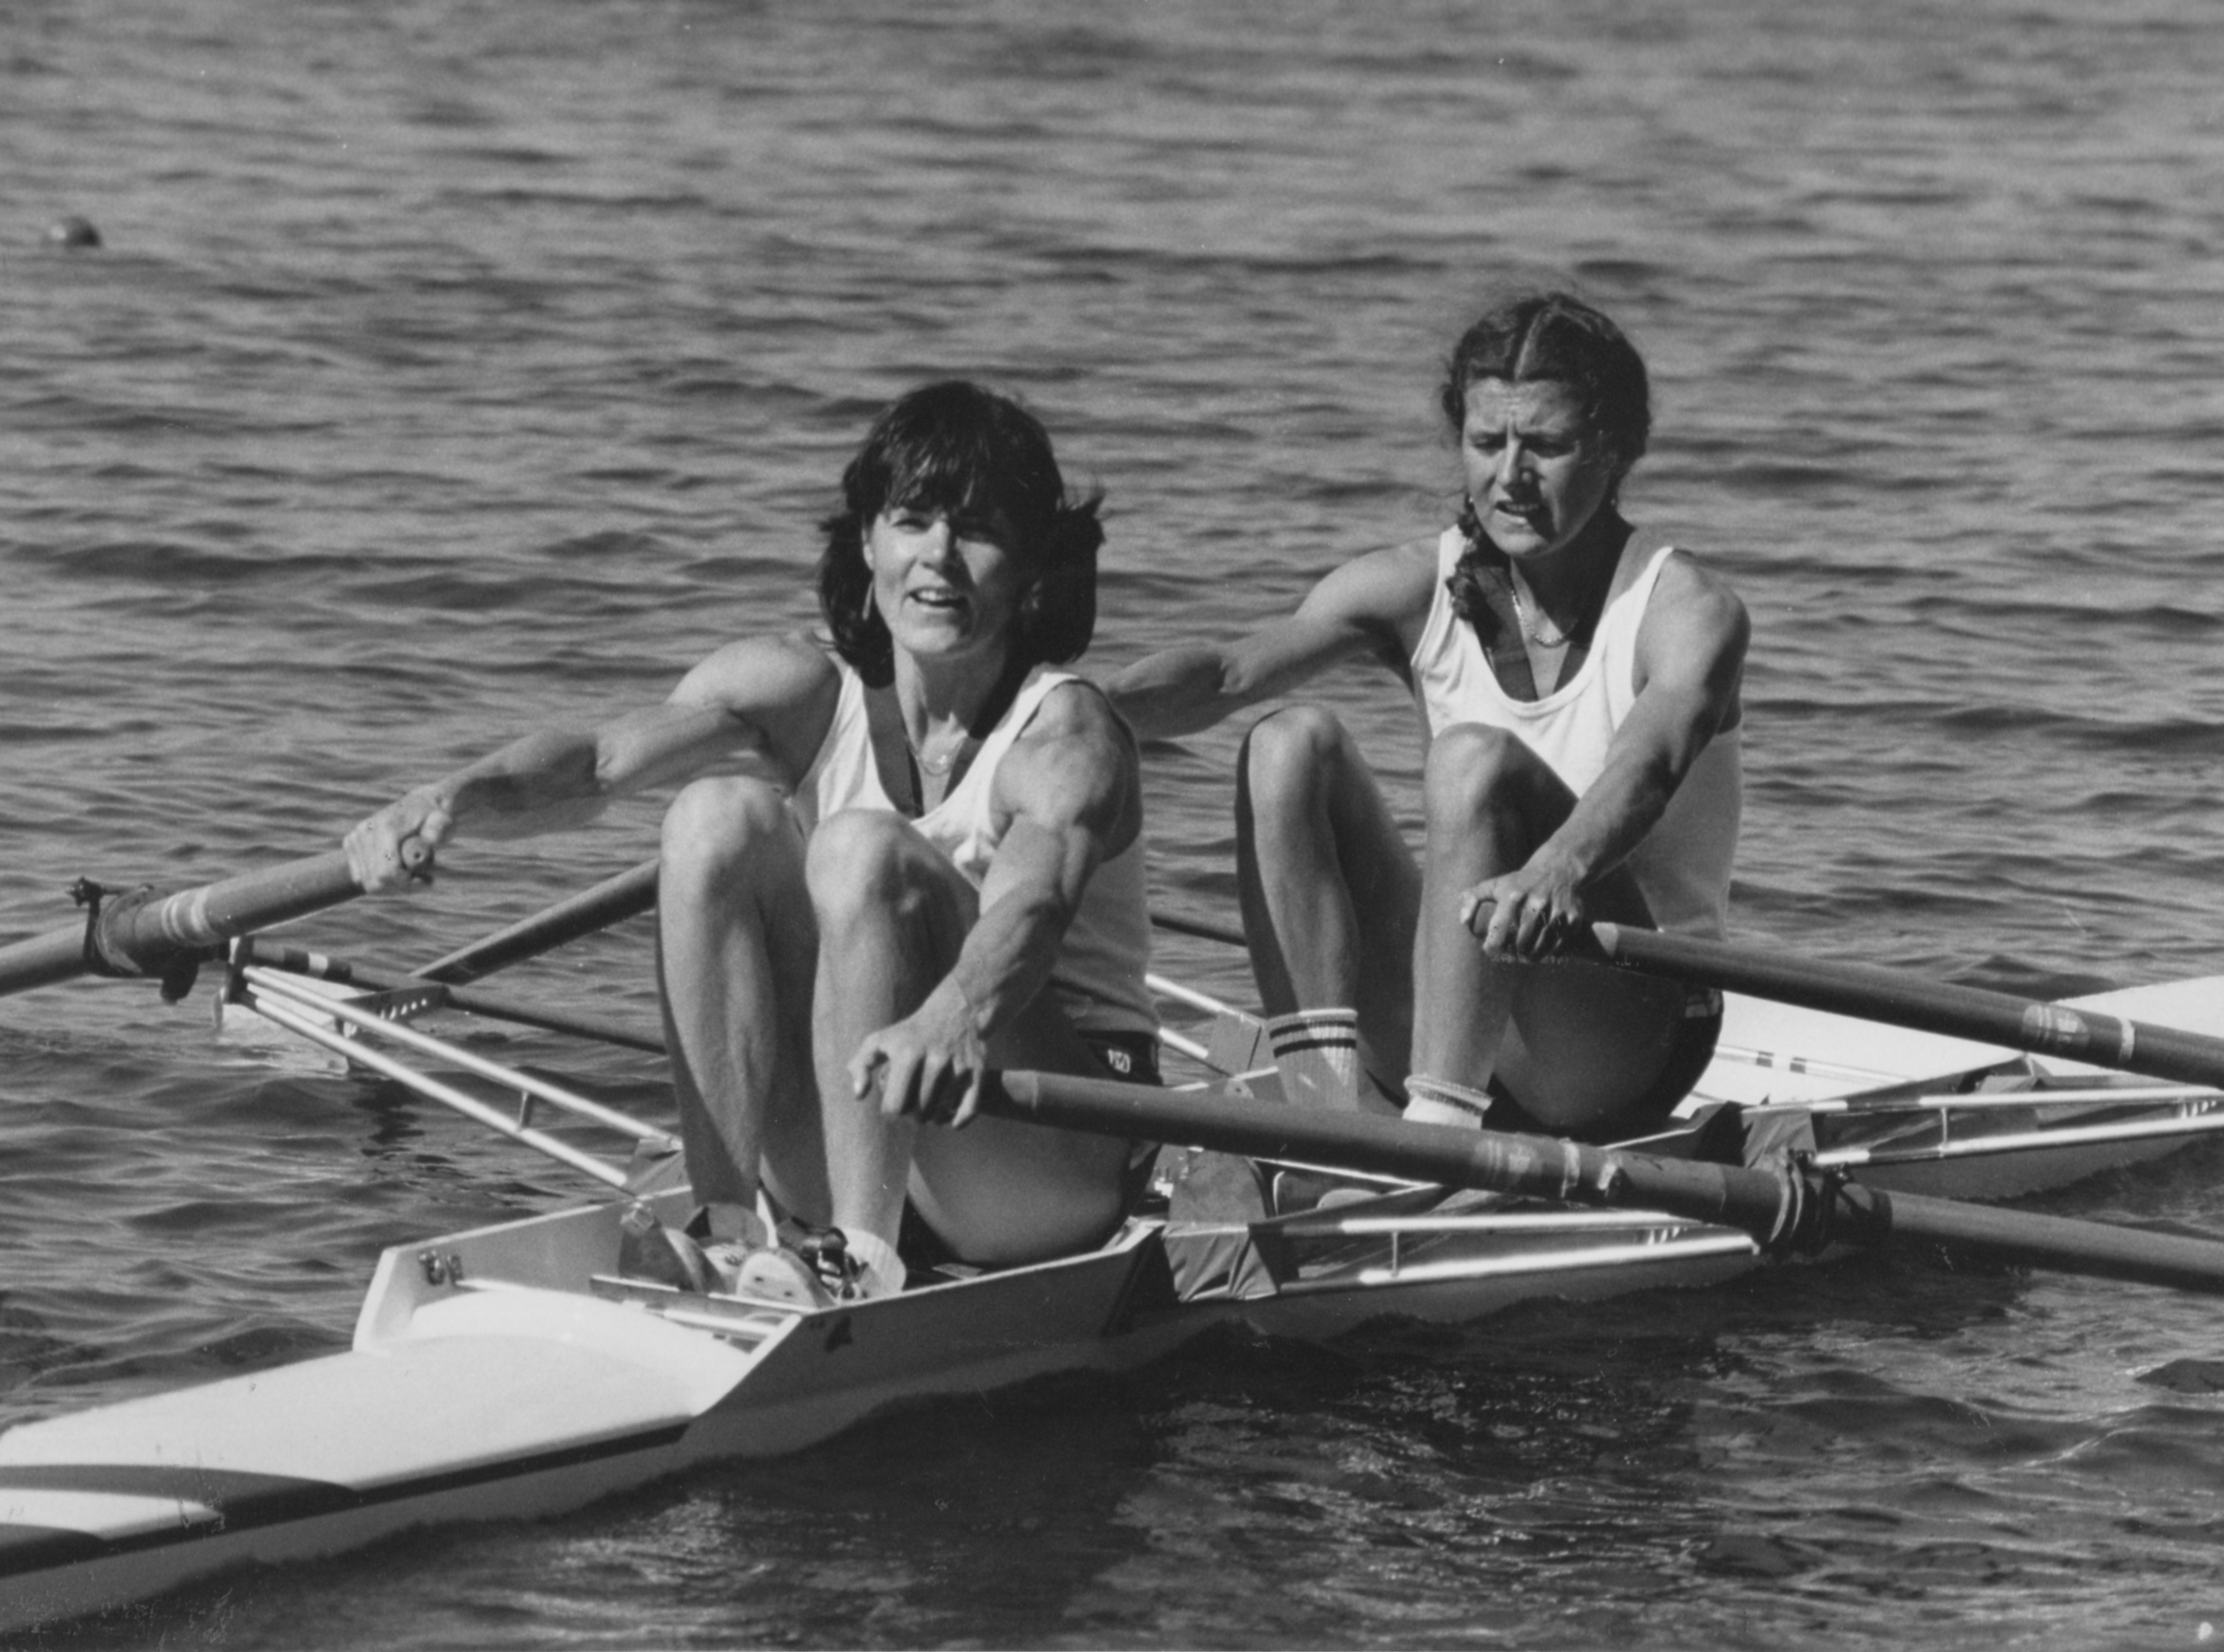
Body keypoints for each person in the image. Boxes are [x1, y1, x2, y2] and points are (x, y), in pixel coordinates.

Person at [345, 381, 1157, 1305]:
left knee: (861, 850)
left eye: (977, 530)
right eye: (913, 521)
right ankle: (730, 1232)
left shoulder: (1064, 737)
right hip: (872, 1118)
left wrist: (953, 1013)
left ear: (1029, 564)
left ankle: (856, 1259)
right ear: (866, 541)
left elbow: (1034, 906)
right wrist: (451, 800)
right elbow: (598, 764)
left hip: (1047, 1156)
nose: (939, 558)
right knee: (712, 816)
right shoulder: (798, 684)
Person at [1107, 292, 1747, 1143]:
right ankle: (1326, 1114)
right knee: (1283, 743)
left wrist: (1555, 869)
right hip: (1465, 988)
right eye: (1487, 444)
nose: (1510, 478)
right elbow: (1226, 673)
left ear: (1615, 448)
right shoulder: (1409, 585)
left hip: (1626, 1026)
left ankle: (1437, 1137)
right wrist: (1050, 719)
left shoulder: (1684, 608)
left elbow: (1650, 762)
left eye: (1546, 446)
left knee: (1472, 760)